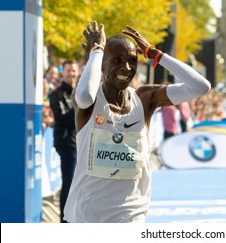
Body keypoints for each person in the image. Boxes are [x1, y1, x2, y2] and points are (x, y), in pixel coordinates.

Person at [63, 21, 210, 223]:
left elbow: (200, 87)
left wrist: (156, 54)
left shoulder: (145, 98)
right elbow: (85, 95)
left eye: (132, 61)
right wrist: (96, 51)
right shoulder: (89, 101)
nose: (126, 67)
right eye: (117, 60)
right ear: (103, 63)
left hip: (131, 216)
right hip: (88, 217)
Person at [49, 59, 79, 223]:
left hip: (80, 143)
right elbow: (61, 119)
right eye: (68, 71)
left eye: (73, 71)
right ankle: (64, 222)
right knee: (68, 184)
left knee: (78, 184)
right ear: (63, 73)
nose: (71, 74)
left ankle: (75, 217)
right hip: (66, 144)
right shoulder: (57, 94)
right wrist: (78, 105)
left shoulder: (79, 92)